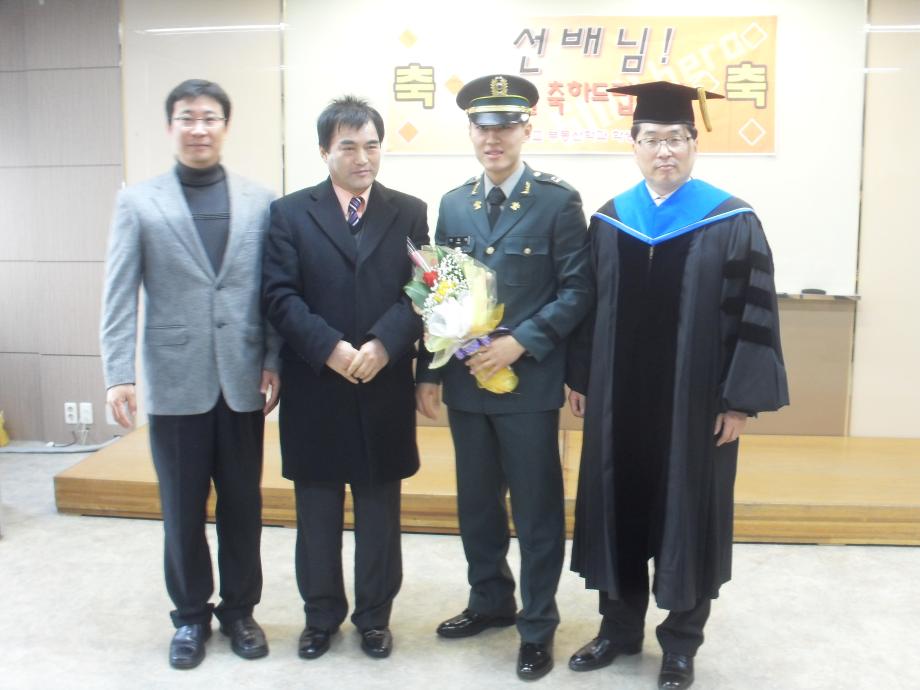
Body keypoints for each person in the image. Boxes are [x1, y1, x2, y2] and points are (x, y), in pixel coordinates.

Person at [565, 81, 789, 689]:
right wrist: (580, 376)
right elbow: (588, 305)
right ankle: (618, 630)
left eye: (676, 139)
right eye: (652, 139)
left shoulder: (732, 220)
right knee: (618, 508)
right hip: (618, 406)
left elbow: (754, 314)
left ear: (694, 143)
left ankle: (682, 642)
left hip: (696, 408)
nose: (664, 150)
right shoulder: (611, 220)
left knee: (688, 514)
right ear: (634, 144)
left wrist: (738, 402)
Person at [415, 74, 592, 681]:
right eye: (483, 128)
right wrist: (429, 371)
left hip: (529, 386)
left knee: (537, 511)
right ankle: (490, 600)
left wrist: (521, 342)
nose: (494, 139)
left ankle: (537, 624)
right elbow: (440, 293)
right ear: (471, 132)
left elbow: (578, 291)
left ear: (525, 129)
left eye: (506, 126)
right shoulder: (454, 204)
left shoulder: (557, 201)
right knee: (477, 506)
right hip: (467, 382)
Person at [100, 79, 280, 669]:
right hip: (175, 380)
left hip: (242, 379)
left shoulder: (260, 201)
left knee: (242, 506)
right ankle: (190, 617)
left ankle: (240, 611)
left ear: (225, 126)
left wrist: (273, 359)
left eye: (209, 117)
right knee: (181, 510)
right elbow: (119, 291)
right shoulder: (139, 203)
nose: (198, 128)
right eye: (187, 117)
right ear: (170, 126)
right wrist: (118, 372)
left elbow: (272, 290)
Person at [261, 96, 428, 661]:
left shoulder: (409, 211)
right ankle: (320, 616)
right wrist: (330, 348)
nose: (363, 158)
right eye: (349, 147)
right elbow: (279, 295)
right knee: (317, 511)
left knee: (380, 511)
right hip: (317, 385)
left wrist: (384, 343)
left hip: (383, 383)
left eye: (372, 146)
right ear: (323, 151)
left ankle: (375, 618)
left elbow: (425, 289)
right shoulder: (289, 213)